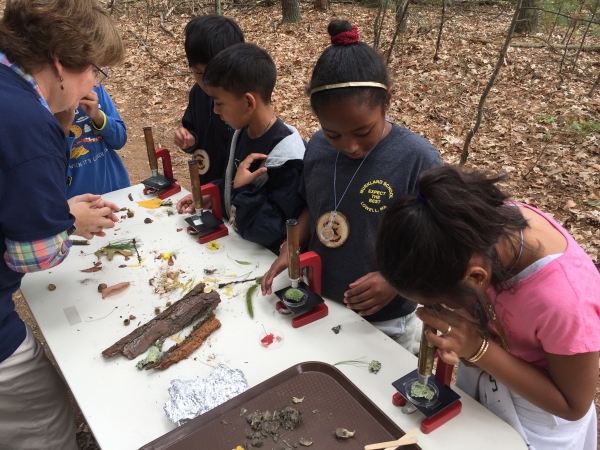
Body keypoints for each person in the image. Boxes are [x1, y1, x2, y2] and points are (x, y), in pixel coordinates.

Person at [375, 165, 599, 450]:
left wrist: (478, 348)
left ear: (476, 276)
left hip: (538, 424)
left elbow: (572, 405)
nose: (441, 308)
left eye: (442, 301)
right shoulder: (471, 228)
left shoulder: (565, 301)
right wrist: (470, 345)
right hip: (488, 393)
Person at [260, 20, 442, 354]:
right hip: (320, 299)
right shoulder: (316, 146)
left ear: (387, 100)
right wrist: (292, 247)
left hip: (386, 323)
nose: (350, 146)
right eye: (334, 134)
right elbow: (310, 207)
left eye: (362, 132)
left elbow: (438, 244)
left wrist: (394, 281)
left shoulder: (418, 159)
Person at [0, 0, 124, 448]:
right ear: (59, 62)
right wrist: (67, 217)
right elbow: (38, 252)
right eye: (92, 68)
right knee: (46, 415)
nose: (94, 79)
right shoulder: (27, 123)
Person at [177, 43, 306, 254]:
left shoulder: (289, 157)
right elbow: (234, 182)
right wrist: (216, 193)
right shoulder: (241, 134)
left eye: (219, 103)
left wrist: (243, 190)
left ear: (248, 102)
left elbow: (274, 228)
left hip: (264, 262)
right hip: (237, 247)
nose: (216, 111)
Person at [173, 14, 244, 184]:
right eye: (198, 73)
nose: (206, 82)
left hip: (236, 189)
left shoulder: (241, 102)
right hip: (205, 183)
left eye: (213, 73)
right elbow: (193, 129)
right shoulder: (197, 94)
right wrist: (189, 140)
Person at [66, 83, 130, 197]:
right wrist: (63, 124)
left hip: (115, 189)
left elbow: (120, 140)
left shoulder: (94, 87)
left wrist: (98, 116)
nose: (95, 82)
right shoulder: (42, 103)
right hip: (75, 203)